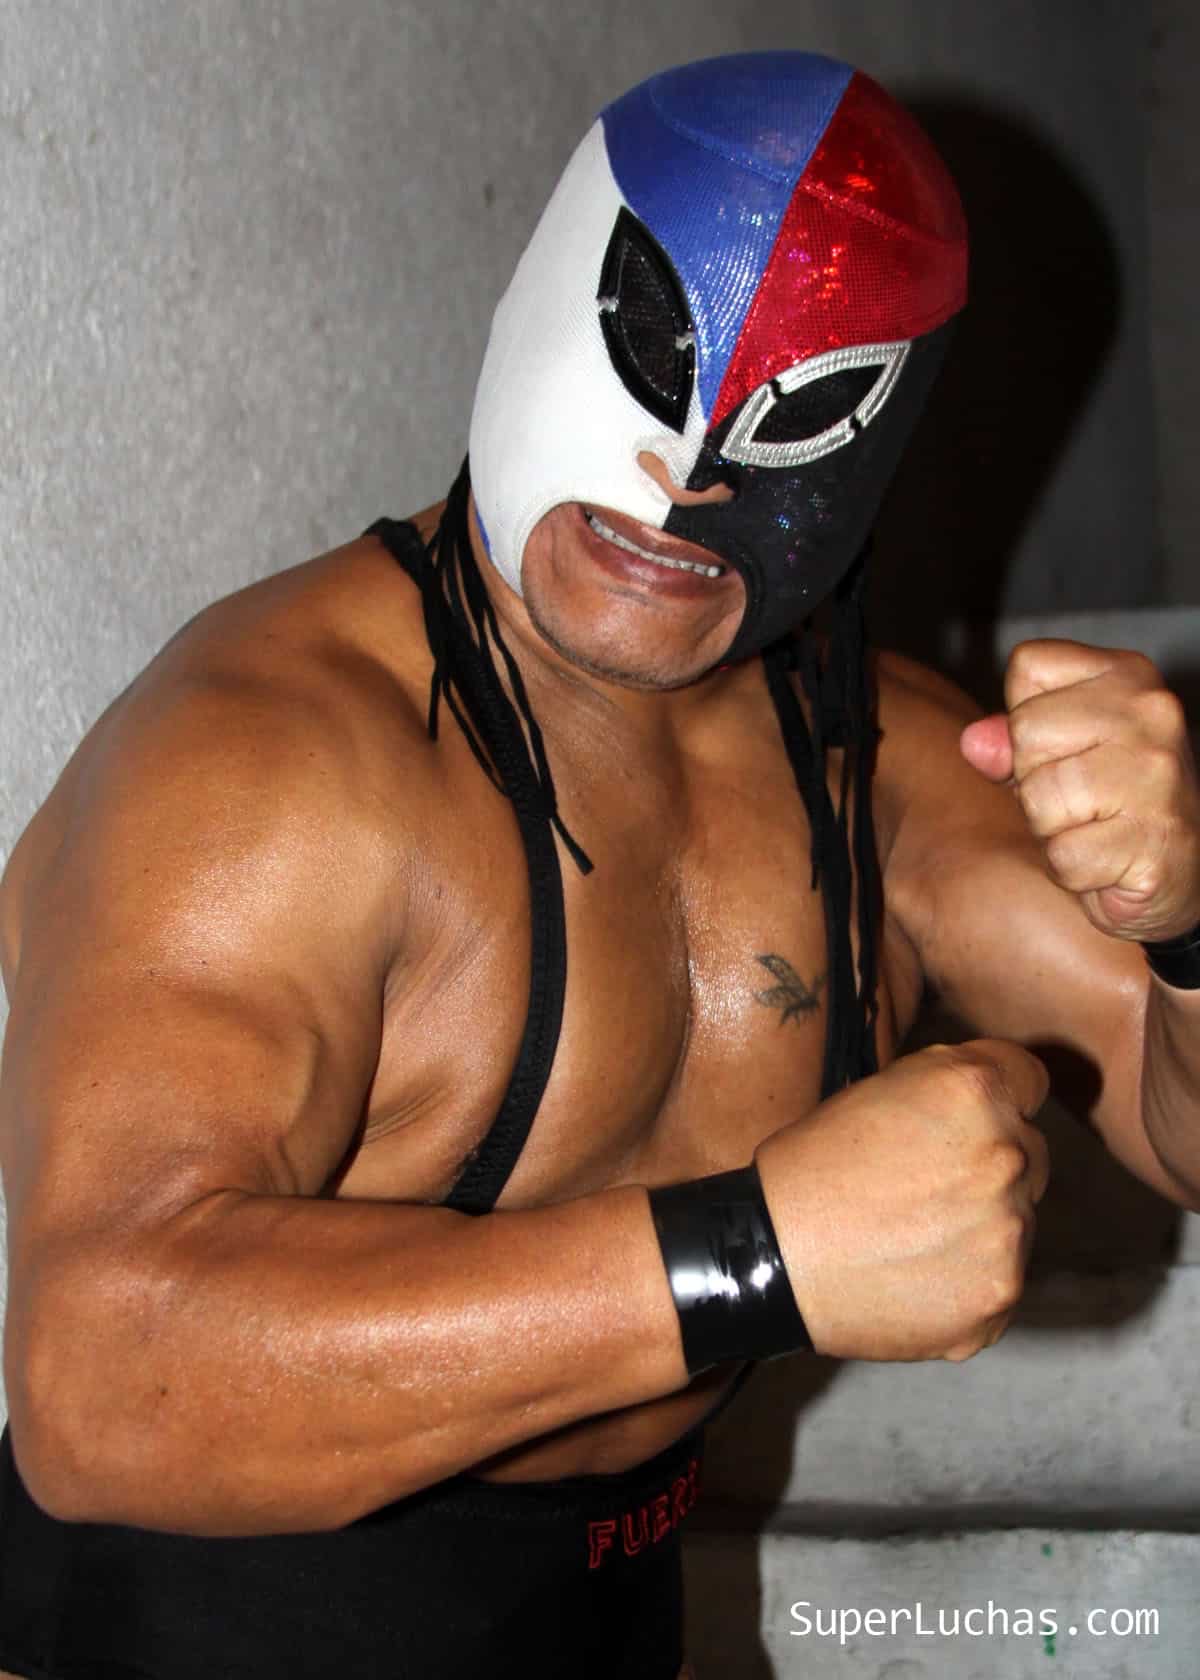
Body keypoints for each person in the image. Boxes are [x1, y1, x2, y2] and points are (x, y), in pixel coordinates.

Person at [0, 47, 1197, 1680]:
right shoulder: (274, 754)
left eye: (798, 414)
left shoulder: (881, 766)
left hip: (614, 1597)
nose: (686, 478)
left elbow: (1172, 1115)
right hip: (209, 1619)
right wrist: (758, 1255)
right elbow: (94, 1380)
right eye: (655, 345)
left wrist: (1189, 926)